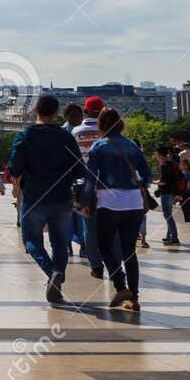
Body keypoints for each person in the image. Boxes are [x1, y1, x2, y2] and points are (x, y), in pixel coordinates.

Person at [8, 95, 82, 304]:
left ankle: (52, 273)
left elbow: (14, 168)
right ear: (56, 112)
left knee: (31, 239)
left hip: (34, 197)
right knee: (60, 242)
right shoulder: (66, 137)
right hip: (61, 197)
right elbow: (78, 168)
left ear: (35, 112)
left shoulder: (25, 136)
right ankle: (57, 273)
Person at [82, 108, 150, 310]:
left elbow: (90, 178)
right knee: (129, 251)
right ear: (120, 124)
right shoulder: (132, 146)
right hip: (134, 202)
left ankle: (120, 285)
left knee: (104, 246)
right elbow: (146, 175)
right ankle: (134, 298)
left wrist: (85, 201)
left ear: (101, 125)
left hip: (109, 202)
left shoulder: (99, 147)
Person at [72, 98, 106, 279]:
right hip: (107, 184)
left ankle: (96, 265)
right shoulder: (106, 131)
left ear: (85, 112)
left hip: (84, 183)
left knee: (89, 227)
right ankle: (113, 264)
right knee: (110, 227)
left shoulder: (75, 132)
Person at [154, 147, 184, 245]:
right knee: (169, 214)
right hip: (172, 192)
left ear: (159, 155)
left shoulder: (163, 165)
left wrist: (152, 181)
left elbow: (163, 182)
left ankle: (174, 237)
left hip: (166, 193)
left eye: (156, 155)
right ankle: (169, 236)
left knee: (167, 215)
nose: (156, 157)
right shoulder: (172, 163)